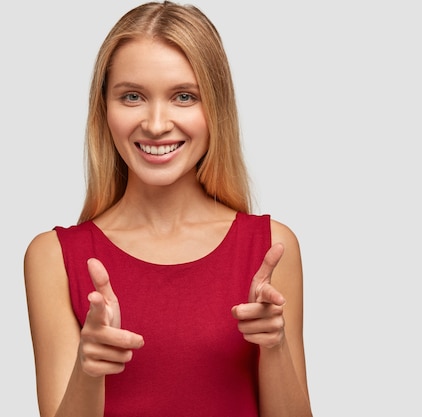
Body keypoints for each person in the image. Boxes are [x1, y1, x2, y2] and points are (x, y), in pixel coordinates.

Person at [23, 2, 313, 416]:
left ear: (215, 107)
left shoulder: (272, 248)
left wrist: (275, 346)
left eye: (183, 96)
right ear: (104, 109)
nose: (156, 124)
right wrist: (88, 373)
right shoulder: (53, 257)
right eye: (132, 96)